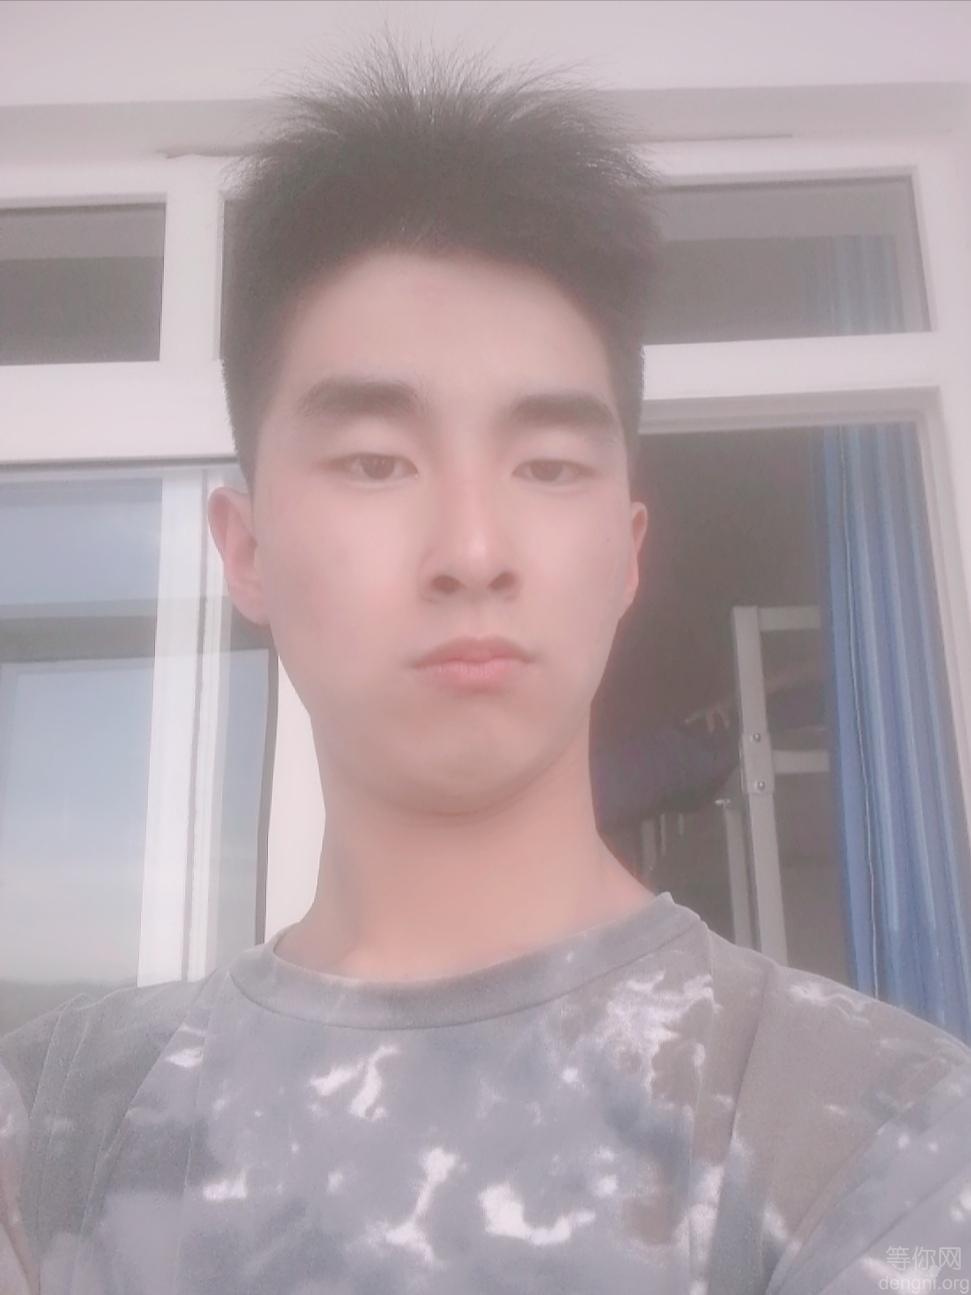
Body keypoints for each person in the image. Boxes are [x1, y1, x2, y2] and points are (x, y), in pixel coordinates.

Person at [3, 32, 971, 1295]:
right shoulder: (53, 1135)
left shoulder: (881, 1136)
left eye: (548, 465)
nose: (471, 549)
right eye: (375, 461)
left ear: (626, 554)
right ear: (245, 549)